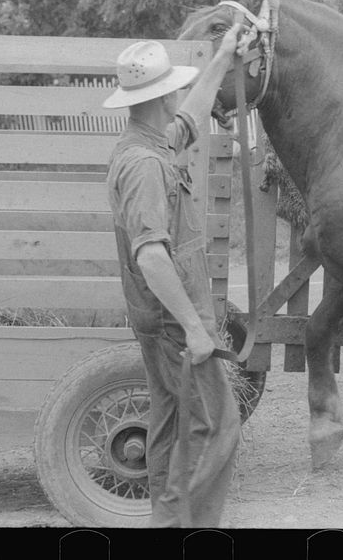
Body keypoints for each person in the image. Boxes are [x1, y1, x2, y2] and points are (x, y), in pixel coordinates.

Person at [103, 26, 245, 527]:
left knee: (171, 429)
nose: (182, 95)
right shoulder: (144, 164)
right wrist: (194, 329)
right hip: (172, 327)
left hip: (159, 324)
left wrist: (224, 56)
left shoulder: (153, 141)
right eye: (175, 89)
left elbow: (194, 112)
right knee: (216, 426)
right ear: (162, 95)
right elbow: (152, 257)